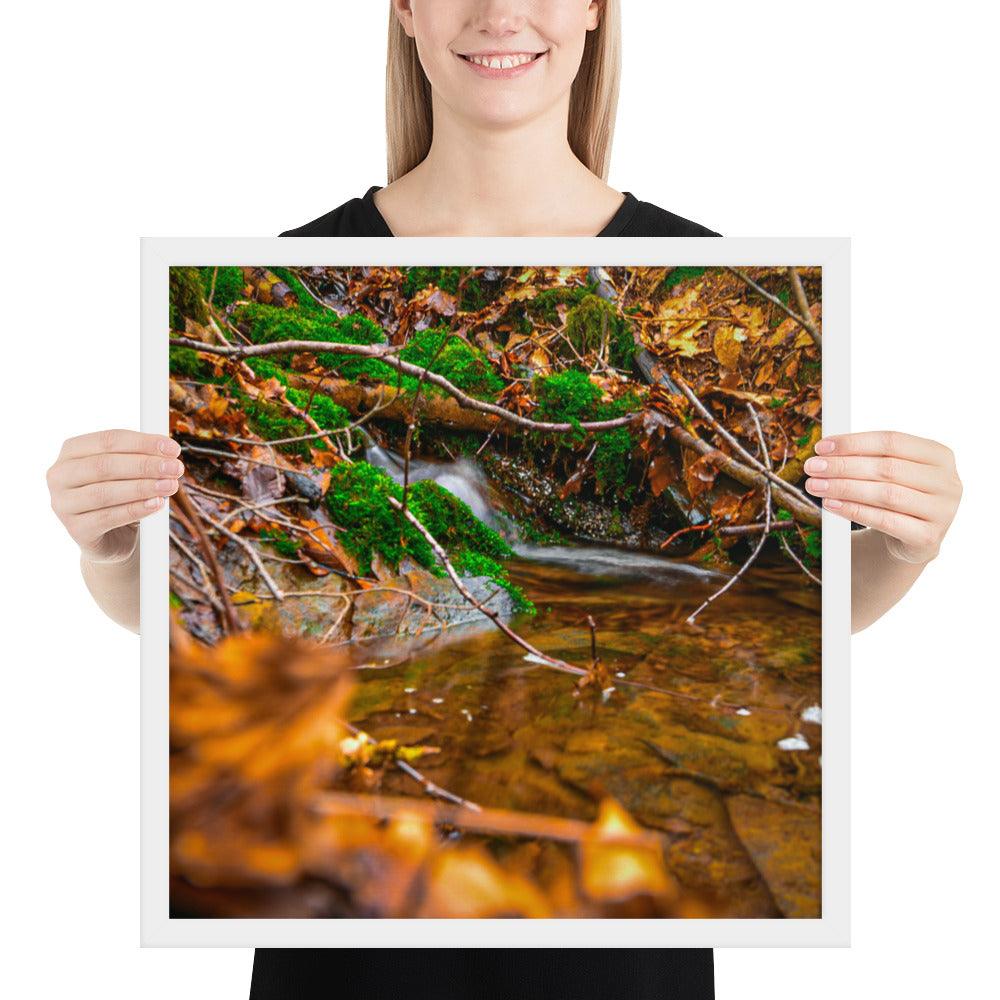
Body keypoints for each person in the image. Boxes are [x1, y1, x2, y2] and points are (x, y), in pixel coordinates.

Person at [44, 2, 963, 999]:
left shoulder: (707, 267)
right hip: (347, 952)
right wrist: (110, 550)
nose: (498, 11)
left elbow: (812, 613)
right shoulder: (254, 269)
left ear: (595, 10)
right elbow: (179, 619)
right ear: (402, 9)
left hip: (619, 968)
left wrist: (904, 547)